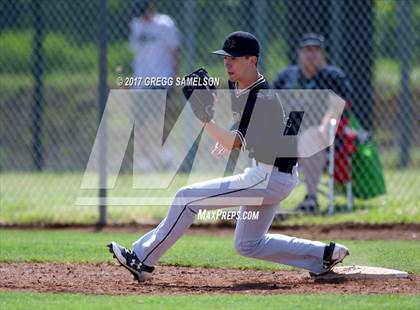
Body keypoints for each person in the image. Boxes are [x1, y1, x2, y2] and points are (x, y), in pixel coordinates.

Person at [108, 31, 349, 282]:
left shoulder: (261, 96)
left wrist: (205, 120)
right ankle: (323, 255)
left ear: (252, 61)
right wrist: (225, 127)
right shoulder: (241, 85)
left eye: (234, 58)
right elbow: (242, 126)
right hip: (273, 175)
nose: (227, 63)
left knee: (186, 199)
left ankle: (142, 258)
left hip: (268, 177)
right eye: (225, 58)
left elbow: (234, 142)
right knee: (247, 244)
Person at [272, 33, 352, 214]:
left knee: (310, 137)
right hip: (289, 132)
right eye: (307, 50)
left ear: (323, 54)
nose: (311, 54)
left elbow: (336, 107)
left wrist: (324, 126)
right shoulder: (287, 76)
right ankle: (268, 201)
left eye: (316, 50)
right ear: (298, 53)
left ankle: (311, 199)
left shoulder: (333, 76)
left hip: (324, 136)